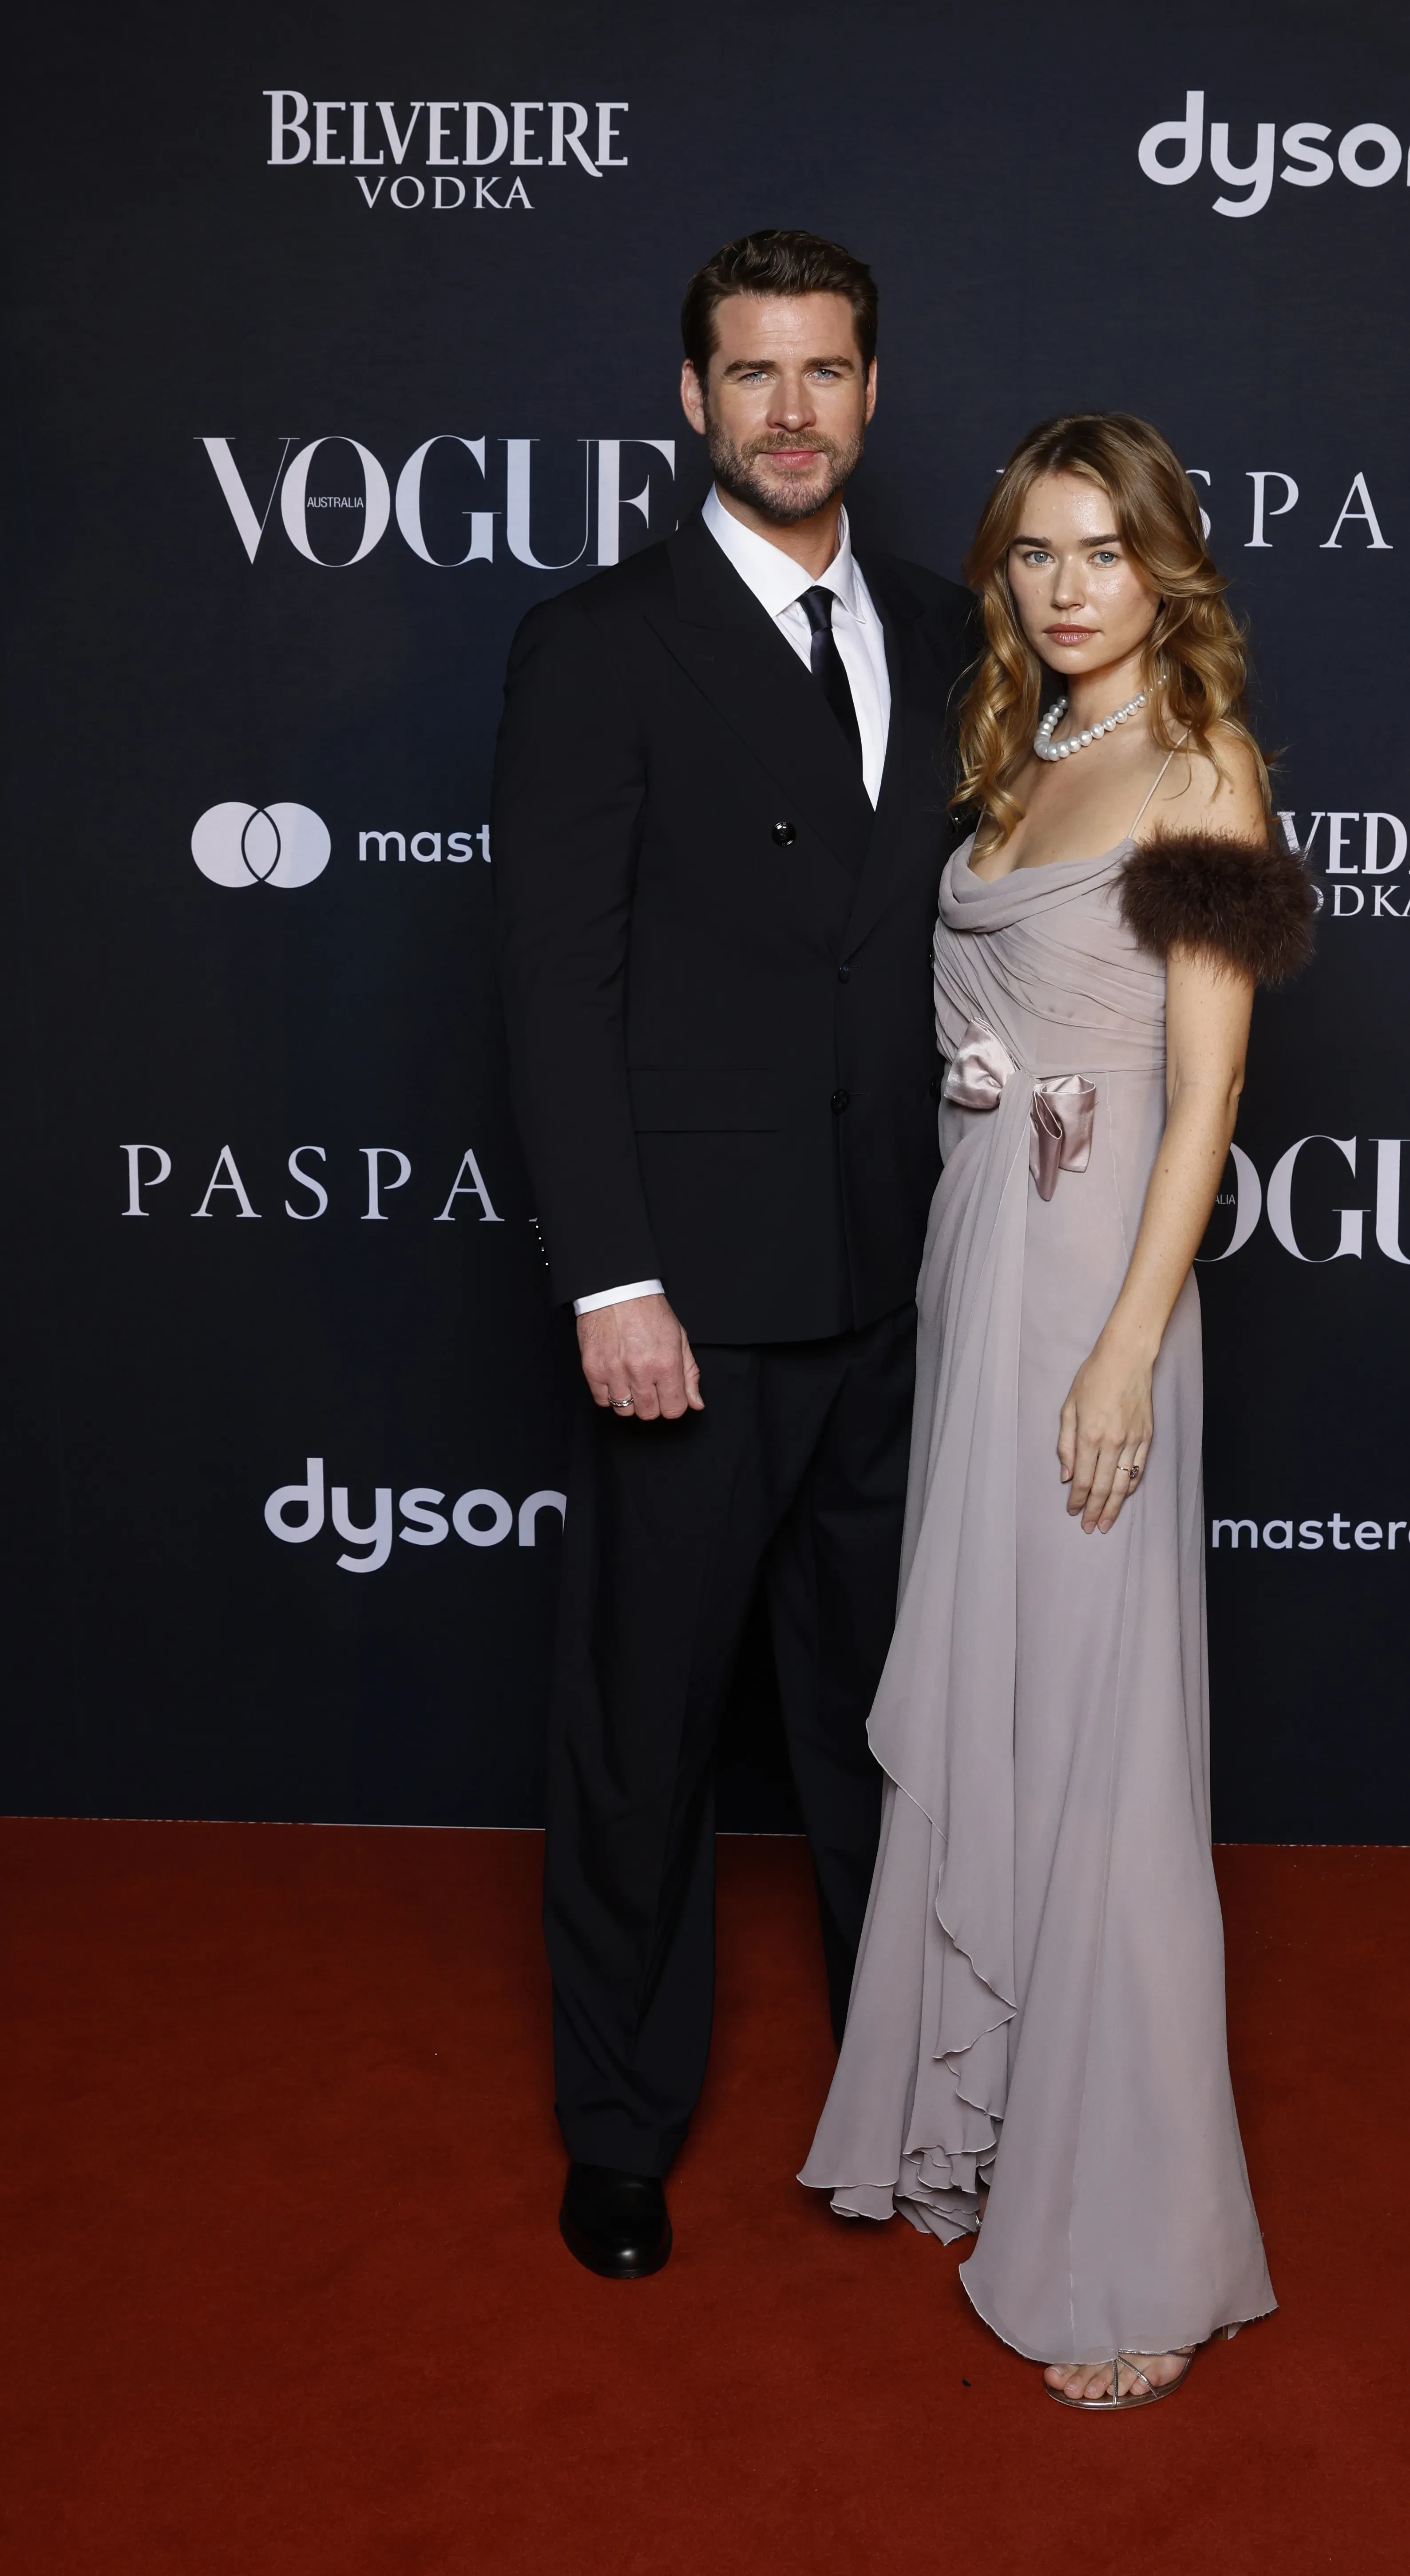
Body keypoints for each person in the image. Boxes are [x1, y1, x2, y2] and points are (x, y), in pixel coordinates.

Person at [801, 413, 1315, 2407]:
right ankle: (992, 2115)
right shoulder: (1016, 759)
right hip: (979, 1267)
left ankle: (1129, 2245)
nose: (1067, 586)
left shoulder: (1201, 764)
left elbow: (1210, 1088)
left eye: (1105, 551)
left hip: (1100, 1284)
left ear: (1166, 568)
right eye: (1035, 553)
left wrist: (1125, 1343)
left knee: (1101, 1731)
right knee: (1001, 1695)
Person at [491, 231, 976, 2280]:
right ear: (690, 398)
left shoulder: (951, 629)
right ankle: (619, 2125)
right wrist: (612, 1278)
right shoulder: (599, 643)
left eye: (825, 371)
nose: (792, 410)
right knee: (646, 1730)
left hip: (908, 1280)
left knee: (889, 1724)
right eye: (753, 373)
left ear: (872, 393)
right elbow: (553, 984)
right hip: (687, 1296)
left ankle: (911, 2090)